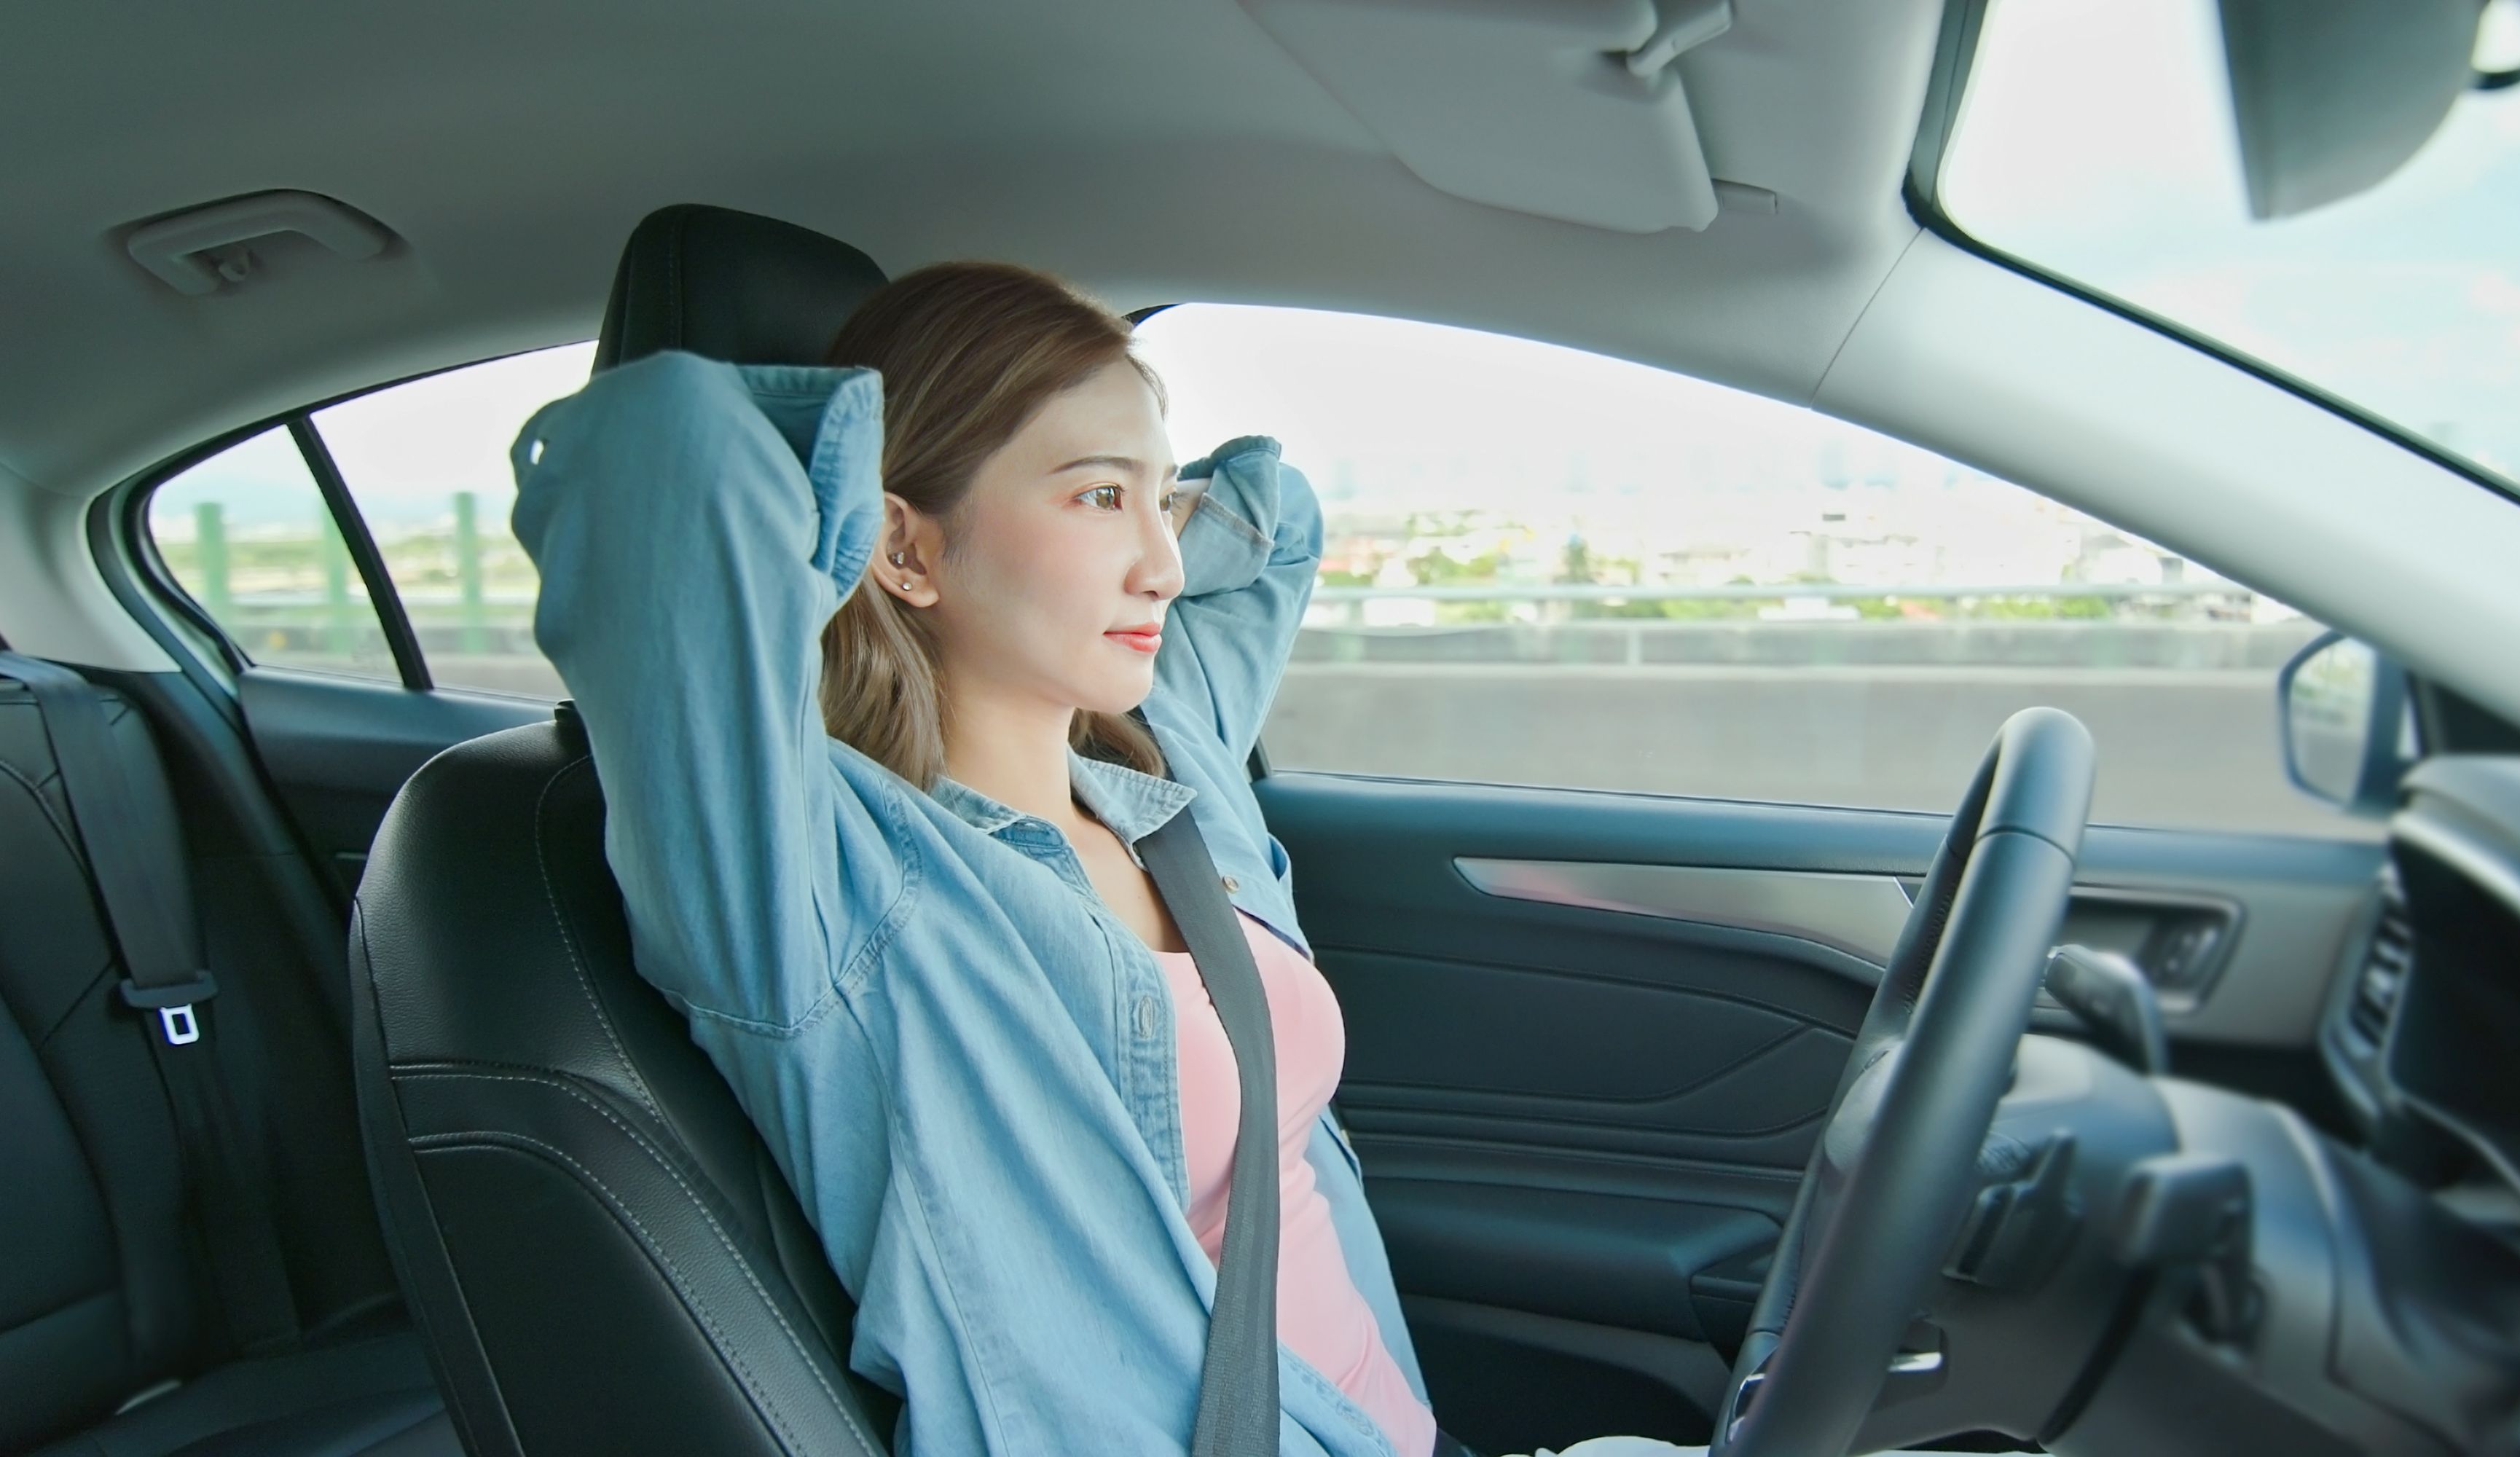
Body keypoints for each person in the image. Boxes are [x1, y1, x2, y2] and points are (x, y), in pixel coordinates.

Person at [511, 262, 1705, 1457]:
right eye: (1094, 500)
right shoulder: (838, 903)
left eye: (1161, 501)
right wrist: (842, 467)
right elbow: (660, 455)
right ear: (902, 548)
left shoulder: (1165, 783)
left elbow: (1274, 522)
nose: (1165, 567)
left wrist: (1118, 482)